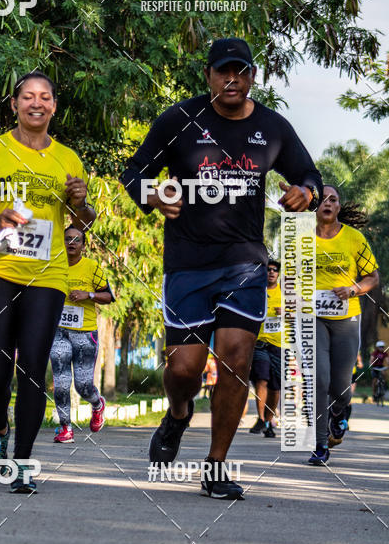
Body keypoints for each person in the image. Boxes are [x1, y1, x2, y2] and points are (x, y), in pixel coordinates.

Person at [121, 37, 323, 499]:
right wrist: (152, 194)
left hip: (244, 264)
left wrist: (306, 193)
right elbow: (134, 172)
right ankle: (177, 414)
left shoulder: (273, 128)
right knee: (185, 370)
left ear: (253, 76)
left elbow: (309, 174)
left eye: (241, 71)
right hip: (188, 263)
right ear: (208, 76)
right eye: (222, 71)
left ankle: (215, 466)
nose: (232, 79)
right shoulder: (178, 120)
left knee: (235, 360)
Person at [0, 71, 95, 493]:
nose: (37, 103)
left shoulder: (68, 159)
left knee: (34, 369)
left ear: (54, 106)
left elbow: (82, 223)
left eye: (45, 97)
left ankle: (24, 462)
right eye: (28, 96)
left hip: (47, 273)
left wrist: (82, 205)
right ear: (14, 104)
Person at [308, 185, 379, 465]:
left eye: (333, 199)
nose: (328, 203)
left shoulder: (353, 238)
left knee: (340, 385)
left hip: (347, 318)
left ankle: (340, 412)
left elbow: (372, 277)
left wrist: (352, 290)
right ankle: (320, 444)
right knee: (319, 380)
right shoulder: (301, 238)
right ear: (316, 207)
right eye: (323, 199)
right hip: (313, 318)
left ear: (339, 207)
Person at [50, 226, 113, 442]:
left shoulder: (92, 267)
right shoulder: (53, 266)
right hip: (58, 332)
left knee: (83, 385)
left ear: (83, 245)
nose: (72, 243)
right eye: (67, 239)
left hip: (85, 334)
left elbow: (109, 296)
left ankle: (97, 404)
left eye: (77, 240)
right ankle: (66, 427)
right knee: (60, 383)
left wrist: (89, 294)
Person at [249, 259, 282, 438]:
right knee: (262, 379)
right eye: (268, 270)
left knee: (276, 386)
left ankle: (268, 421)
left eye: (274, 270)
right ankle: (261, 418)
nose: (271, 272)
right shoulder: (257, 292)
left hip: (279, 344)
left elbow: (300, 313)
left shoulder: (286, 293)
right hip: (259, 342)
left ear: (278, 274)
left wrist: (287, 312)